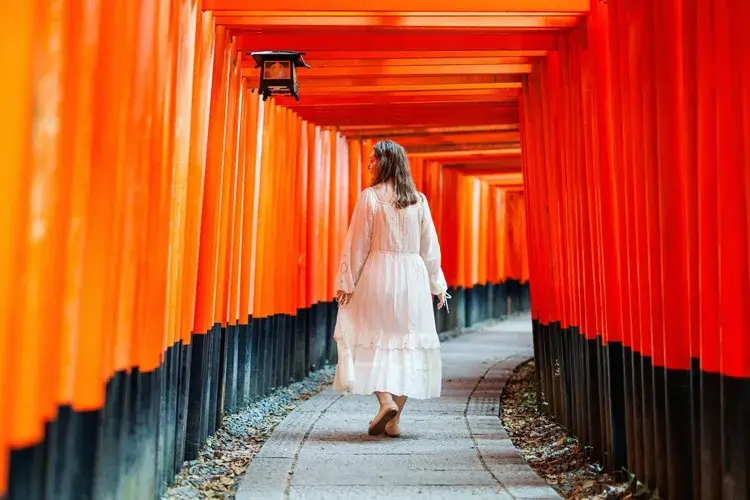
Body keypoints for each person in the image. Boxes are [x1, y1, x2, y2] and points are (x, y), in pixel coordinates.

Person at [332, 139, 449, 438]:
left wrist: (346, 283)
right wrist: (437, 285)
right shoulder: (419, 200)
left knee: (369, 335)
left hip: (378, 276)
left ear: (385, 162)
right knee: (409, 343)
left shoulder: (370, 198)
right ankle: (395, 418)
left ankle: (385, 401)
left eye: (373, 159)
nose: (368, 164)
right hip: (412, 279)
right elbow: (429, 247)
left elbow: (357, 244)